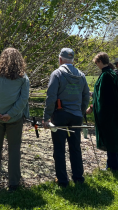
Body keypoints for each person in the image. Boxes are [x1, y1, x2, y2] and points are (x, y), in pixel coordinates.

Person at [0, 48, 30, 191]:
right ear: (19, 60)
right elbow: (23, 98)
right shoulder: (22, 77)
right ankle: (14, 183)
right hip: (14, 118)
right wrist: (11, 113)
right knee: (14, 149)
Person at [42, 48, 89, 187]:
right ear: (72, 60)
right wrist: (80, 111)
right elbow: (86, 96)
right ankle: (78, 177)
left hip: (60, 115)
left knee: (59, 148)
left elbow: (51, 97)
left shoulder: (57, 74)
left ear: (60, 59)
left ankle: (62, 180)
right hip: (76, 116)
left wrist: (46, 117)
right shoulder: (81, 75)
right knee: (75, 147)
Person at [86, 52, 118, 171]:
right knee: (111, 138)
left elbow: (103, 97)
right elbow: (105, 92)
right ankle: (112, 164)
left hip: (108, 113)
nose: (96, 65)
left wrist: (92, 107)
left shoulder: (106, 76)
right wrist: (93, 93)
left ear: (99, 61)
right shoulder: (111, 73)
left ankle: (113, 166)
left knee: (110, 138)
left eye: (96, 63)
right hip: (113, 111)